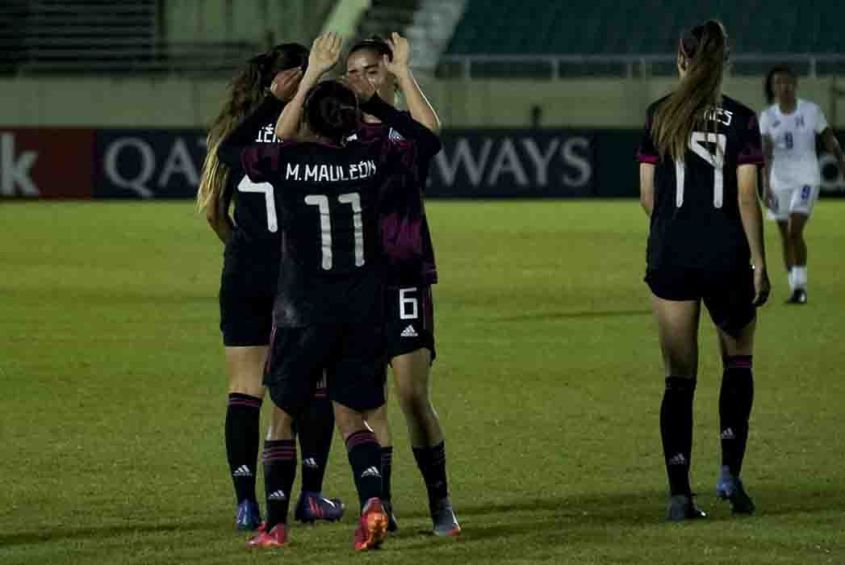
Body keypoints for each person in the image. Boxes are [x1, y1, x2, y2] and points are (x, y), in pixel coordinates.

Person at [217, 32, 442, 551]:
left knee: (282, 415)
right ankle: (371, 503)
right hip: (362, 310)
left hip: (302, 310)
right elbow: (427, 141)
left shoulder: (287, 164)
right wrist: (381, 102)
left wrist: (293, 91)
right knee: (351, 414)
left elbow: (233, 147)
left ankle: (274, 524)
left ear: (308, 120)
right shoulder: (372, 161)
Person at [197, 42, 342, 531]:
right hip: (297, 274)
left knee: (243, 389)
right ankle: (311, 495)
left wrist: (240, 250)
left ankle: (245, 502)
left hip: (244, 271)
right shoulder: (309, 126)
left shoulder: (230, 133)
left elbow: (214, 211)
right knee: (310, 385)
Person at [636, 20, 770, 521]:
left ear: (681, 58)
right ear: (723, 61)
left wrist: (677, 228)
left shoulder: (659, 116)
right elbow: (745, 197)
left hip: (671, 255)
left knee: (679, 378)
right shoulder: (741, 119)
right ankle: (729, 474)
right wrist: (759, 262)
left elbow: (648, 195)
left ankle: (678, 494)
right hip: (726, 256)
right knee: (738, 363)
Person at [343, 33, 460, 537]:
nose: (360, 80)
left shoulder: (402, 138)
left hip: (406, 277)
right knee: (371, 402)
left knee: (412, 395)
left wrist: (408, 72)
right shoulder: (335, 136)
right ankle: (382, 505)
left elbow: (430, 132)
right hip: (354, 286)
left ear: (387, 76)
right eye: (351, 72)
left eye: (371, 70)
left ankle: (440, 504)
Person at [760, 65, 845, 304]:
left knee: (794, 230)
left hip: (806, 178)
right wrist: (765, 186)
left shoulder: (811, 111)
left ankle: (800, 287)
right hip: (779, 182)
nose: (784, 87)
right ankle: (795, 285)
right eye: (778, 83)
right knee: (784, 235)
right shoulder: (767, 117)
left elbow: (829, 139)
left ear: (795, 84)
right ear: (773, 87)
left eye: (788, 82)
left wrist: (841, 163)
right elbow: (765, 155)